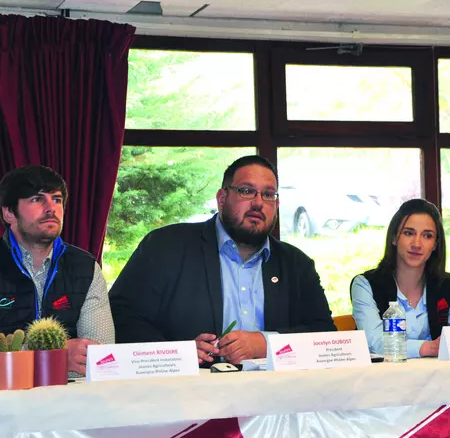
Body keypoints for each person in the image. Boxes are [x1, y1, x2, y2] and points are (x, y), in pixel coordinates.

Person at [109, 155, 336, 365]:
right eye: (247, 191)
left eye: (268, 195)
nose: (258, 203)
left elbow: (324, 333)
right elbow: (122, 318)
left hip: (274, 395)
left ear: (276, 206)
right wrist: (177, 353)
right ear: (222, 198)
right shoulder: (165, 246)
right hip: (187, 393)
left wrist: (265, 344)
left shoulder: (296, 264)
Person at [0, 166, 114, 380]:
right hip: (1, 402)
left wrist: (6, 355)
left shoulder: (87, 268)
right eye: (36, 199)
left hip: (71, 402)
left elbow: (101, 357)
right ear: (9, 213)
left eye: (57, 200)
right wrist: (56, 357)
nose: (50, 208)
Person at [351, 199, 450, 358]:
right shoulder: (365, 285)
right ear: (394, 238)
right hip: (383, 379)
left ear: (435, 244)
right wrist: (427, 348)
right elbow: (374, 343)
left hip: (440, 378)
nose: (417, 244)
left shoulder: (449, 284)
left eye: (427, 236)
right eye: (409, 233)